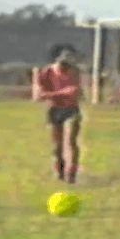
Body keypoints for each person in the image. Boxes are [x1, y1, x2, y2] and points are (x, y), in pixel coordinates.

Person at [32, 50, 84, 184]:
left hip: (71, 109)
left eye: (67, 66)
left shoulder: (75, 72)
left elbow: (74, 92)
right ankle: (60, 173)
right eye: (63, 66)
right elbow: (40, 94)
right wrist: (58, 94)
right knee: (57, 145)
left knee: (72, 141)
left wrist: (52, 94)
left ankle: (72, 172)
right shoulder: (48, 72)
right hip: (55, 109)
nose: (65, 69)